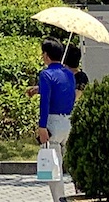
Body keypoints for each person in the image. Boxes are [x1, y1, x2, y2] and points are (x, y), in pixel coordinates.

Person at [36, 37, 77, 202]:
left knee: (53, 168)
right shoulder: (69, 74)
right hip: (68, 121)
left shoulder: (45, 74)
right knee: (71, 164)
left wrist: (42, 126)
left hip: (52, 122)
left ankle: (59, 199)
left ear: (46, 55)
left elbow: (45, 101)